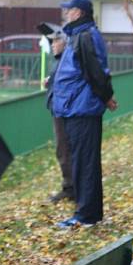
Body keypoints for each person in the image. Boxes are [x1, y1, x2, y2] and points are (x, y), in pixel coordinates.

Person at [51, 0, 118, 228]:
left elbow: (96, 72)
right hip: (76, 108)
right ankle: (89, 212)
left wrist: (106, 96)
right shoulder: (78, 36)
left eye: (69, 10)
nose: (66, 14)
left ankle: (86, 216)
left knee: (85, 162)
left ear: (78, 13)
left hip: (82, 109)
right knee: (83, 161)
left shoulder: (85, 36)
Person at [45, 32, 75, 203]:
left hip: (63, 110)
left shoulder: (66, 60)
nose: (52, 45)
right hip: (59, 108)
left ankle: (70, 188)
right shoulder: (60, 61)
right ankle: (70, 186)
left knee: (64, 149)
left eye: (56, 41)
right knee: (63, 149)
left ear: (65, 43)